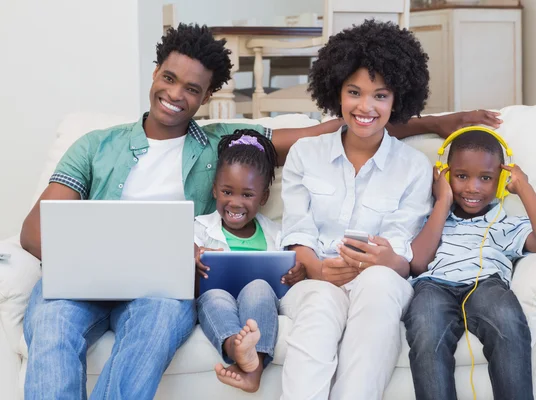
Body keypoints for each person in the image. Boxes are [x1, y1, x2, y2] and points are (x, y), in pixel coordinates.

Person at [18, 22, 501, 400]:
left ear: (206, 98)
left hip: (162, 285)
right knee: (53, 325)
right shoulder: (94, 145)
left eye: (192, 88)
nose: (176, 94)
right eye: (169, 78)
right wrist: (125, 252)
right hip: (86, 275)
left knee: (156, 328)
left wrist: (440, 122)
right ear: (154, 75)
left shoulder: (223, 144)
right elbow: (35, 233)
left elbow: (348, 125)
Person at [279, 20, 433, 399]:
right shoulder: (305, 154)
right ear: (336, 93)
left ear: (398, 100)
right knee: (319, 303)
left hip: (379, 280)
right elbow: (297, 232)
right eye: (354, 92)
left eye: (380, 95)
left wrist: (380, 261)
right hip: (317, 278)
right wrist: (320, 270)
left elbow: (404, 259)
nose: (366, 107)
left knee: (379, 283)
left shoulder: (414, 167)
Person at [405, 129, 536, 400]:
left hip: (487, 284)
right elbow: (418, 264)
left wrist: (523, 187)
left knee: (508, 324)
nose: (472, 188)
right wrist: (443, 200)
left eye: (486, 178)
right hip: (433, 286)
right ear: (445, 174)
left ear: (500, 182)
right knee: (426, 331)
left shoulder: (503, 222)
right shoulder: (430, 217)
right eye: (462, 176)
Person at [194, 129, 305, 393]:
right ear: (214, 190)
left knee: (259, 287)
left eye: (247, 195)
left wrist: (297, 274)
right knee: (213, 297)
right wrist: (192, 255)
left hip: (258, 301)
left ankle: (255, 365)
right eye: (227, 192)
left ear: (263, 197)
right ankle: (235, 345)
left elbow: (288, 274)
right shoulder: (197, 229)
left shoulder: (277, 235)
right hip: (215, 298)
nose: (235, 202)